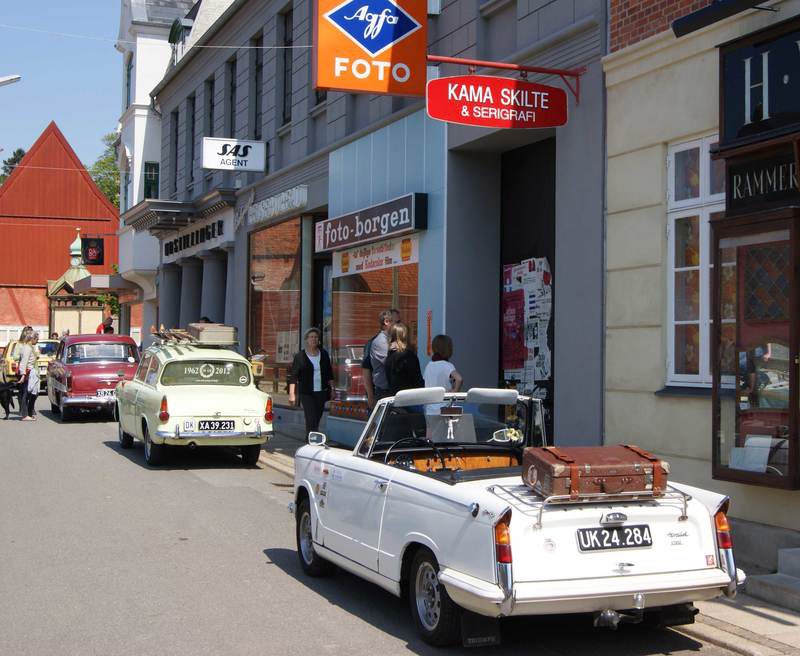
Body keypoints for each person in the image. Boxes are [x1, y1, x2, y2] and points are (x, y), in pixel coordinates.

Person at [288, 327, 335, 435]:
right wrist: (291, 394)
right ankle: (311, 439)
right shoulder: (300, 356)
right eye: (311, 337)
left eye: (315, 337)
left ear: (318, 340)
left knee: (317, 417)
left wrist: (333, 389)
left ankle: (312, 437)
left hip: (321, 391)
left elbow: (329, 373)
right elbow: (294, 376)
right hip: (306, 392)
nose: (313, 339)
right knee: (310, 416)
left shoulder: (324, 354)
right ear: (307, 340)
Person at [363, 309, 400, 408]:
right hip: (382, 392)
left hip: (394, 391)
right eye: (396, 322)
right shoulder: (376, 342)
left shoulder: (395, 340)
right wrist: (370, 395)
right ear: (386, 322)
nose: (399, 326)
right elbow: (366, 370)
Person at [423, 334, 464, 414]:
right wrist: (454, 392)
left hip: (430, 409)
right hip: (444, 408)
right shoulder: (447, 365)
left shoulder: (429, 365)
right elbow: (459, 379)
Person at [385, 322, 424, 396]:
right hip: (410, 399)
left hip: (394, 398)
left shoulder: (389, 355)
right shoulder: (408, 355)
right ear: (406, 336)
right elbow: (417, 380)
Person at [18, 330, 39, 421]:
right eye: (36, 339)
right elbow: (24, 362)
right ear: (32, 339)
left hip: (31, 372)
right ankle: (25, 415)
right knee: (26, 394)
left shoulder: (30, 347)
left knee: (32, 393)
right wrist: (23, 375)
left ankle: (28, 413)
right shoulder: (27, 348)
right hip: (27, 373)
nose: (37, 341)